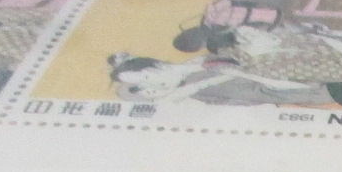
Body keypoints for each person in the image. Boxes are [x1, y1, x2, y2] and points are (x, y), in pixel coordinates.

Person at [108, 52, 326, 106]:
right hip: (212, 87)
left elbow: (193, 67)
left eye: (145, 74)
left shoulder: (171, 67)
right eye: (141, 81)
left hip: (212, 74)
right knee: (263, 90)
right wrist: (222, 75)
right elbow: (191, 87)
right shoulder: (153, 92)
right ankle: (319, 92)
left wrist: (218, 66)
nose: (147, 80)